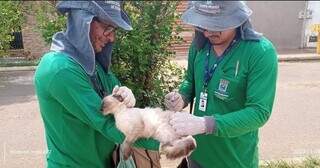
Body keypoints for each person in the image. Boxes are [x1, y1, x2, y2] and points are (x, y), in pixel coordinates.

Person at [34, 1, 159, 167]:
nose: (112, 37)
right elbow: (108, 123)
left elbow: (118, 100)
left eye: (114, 30)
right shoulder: (59, 69)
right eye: (108, 27)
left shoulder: (93, 65)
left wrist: (125, 94)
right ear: (82, 22)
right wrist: (165, 139)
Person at [165, 1, 278, 168]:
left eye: (216, 26)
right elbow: (191, 81)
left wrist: (206, 124)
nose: (207, 32)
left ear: (237, 20)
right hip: (197, 153)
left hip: (234, 159)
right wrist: (182, 97)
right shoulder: (199, 46)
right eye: (203, 25)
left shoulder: (260, 52)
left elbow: (258, 112)